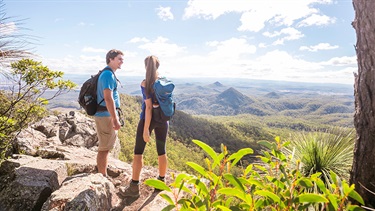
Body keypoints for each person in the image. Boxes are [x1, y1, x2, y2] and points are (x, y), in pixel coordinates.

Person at [121, 55, 169, 197]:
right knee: (162, 150)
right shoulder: (164, 81)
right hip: (163, 119)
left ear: (145, 66)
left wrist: (146, 129)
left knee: (138, 152)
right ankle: (161, 181)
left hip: (148, 119)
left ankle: (134, 187)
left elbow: (148, 108)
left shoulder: (145, 83)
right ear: (158, 66)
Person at [94, 49, 124, 177]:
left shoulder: (109, 74)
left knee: (106, 146)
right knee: (104, 148)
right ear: (110, 59)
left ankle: (103, 171)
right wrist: (115, 119)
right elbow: (108, 98)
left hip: (106, 114)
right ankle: (102, 175)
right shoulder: (108, 75)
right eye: (119, 59)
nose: (122, 62)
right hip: (105, 115)